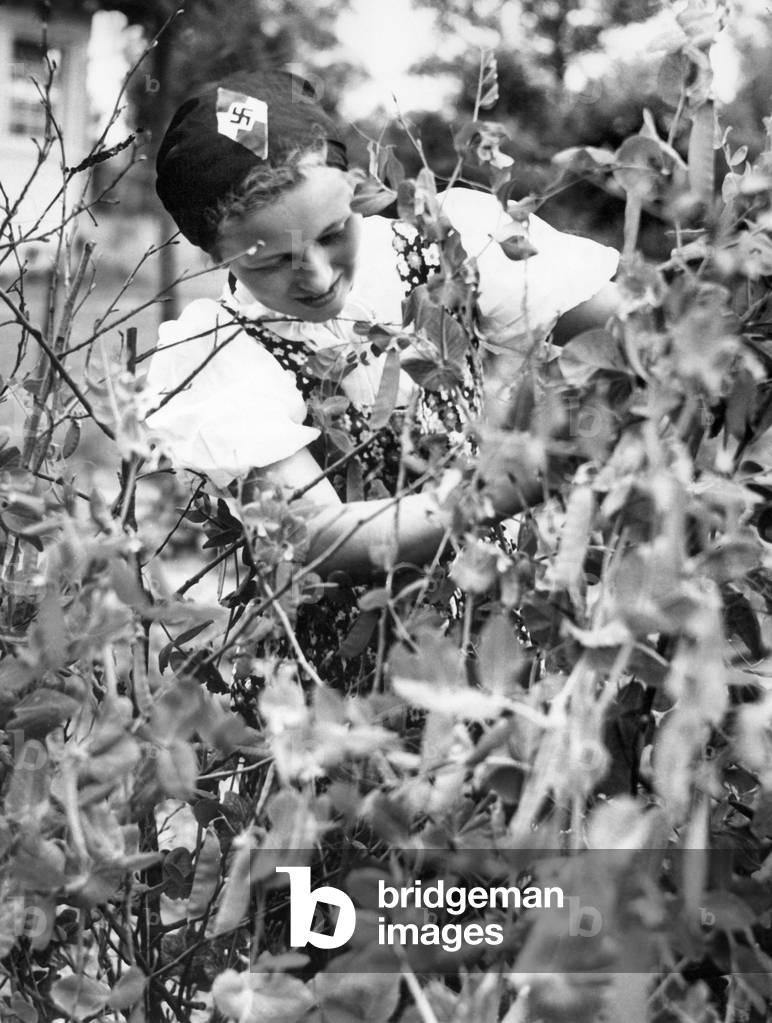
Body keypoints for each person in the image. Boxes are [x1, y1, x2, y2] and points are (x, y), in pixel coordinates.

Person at [146, 69, 618, 701]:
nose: (315, 275)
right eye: (271, 261)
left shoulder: (450, 249)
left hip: (506, 631)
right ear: (216, 254)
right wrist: (495, 490)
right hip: (350, 682)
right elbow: (311, 535)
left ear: (359, 192)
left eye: (333, 234)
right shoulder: (221, 350)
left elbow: (636, 339)